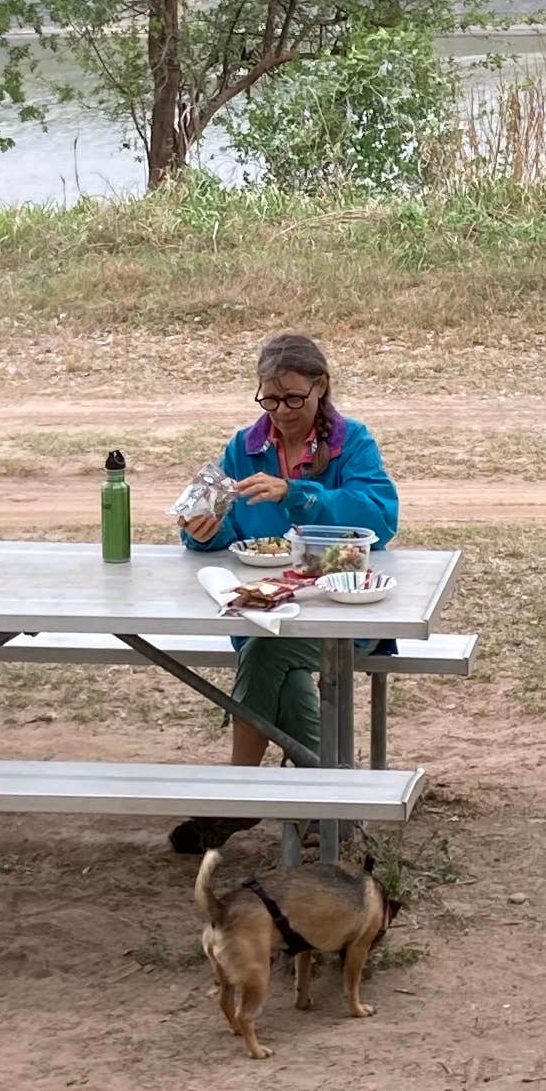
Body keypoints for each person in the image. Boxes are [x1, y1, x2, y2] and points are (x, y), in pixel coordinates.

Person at [166, 330, 399, 854]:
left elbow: (382, 520)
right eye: (270, 399)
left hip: (341, 604)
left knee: (266, 652)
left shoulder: (351, 442)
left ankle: (240, 797)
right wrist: (202, 530)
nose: (282, 411)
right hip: (259, 602)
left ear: (322, 388)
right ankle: (329, 804)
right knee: (280, 669)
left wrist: (299, 494)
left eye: (294, 398)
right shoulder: (244, 448)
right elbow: (215, 526)